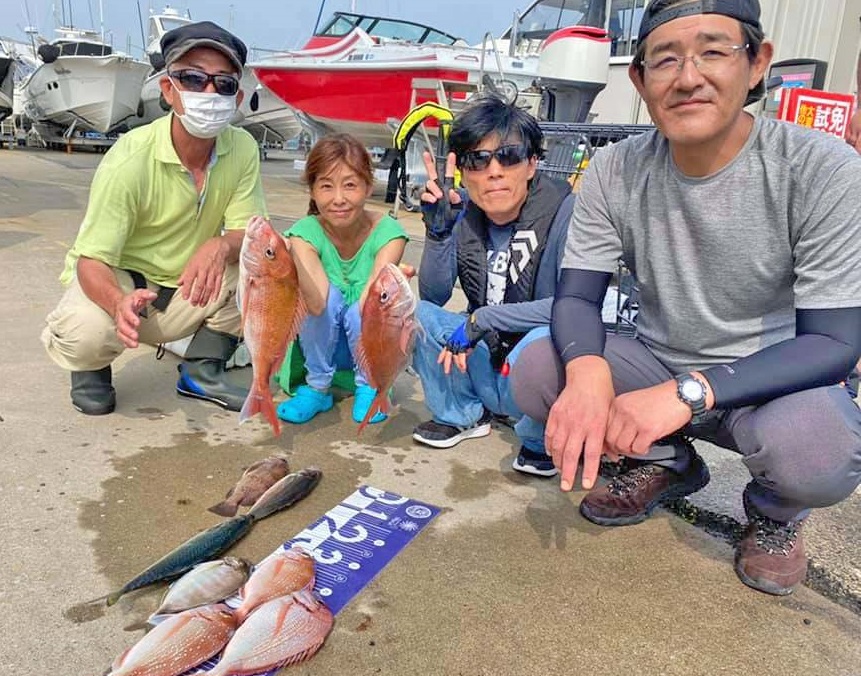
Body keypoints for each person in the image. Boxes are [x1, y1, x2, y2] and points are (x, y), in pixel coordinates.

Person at [511, 0, 861, 596]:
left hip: (772, 379)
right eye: (665, 59)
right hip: (658, 356)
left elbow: (835, 342)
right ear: (640, 80)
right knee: (541, 367)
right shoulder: (613, 169)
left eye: (714, 51)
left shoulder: (822, 168)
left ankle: (775, 515)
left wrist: (687, 393)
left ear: (758, 64)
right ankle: (665, 461)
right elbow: (576, 296)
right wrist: (591, 370)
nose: (689, 76)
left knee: (821, 452)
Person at [41, 21, 265, 416]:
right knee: (84, 333)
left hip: (189, 284)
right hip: (126, 283)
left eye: (223, 84)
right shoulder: (130, 158)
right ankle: (91, 367)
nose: (209, 92)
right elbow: (92, 260)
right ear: (168, 89)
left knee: (266, 266)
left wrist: (219, 245)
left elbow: (250, 232)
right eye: (193, 78)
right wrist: (117, 302)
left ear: (237, 96)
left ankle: (202, 368)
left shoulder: (244, 148)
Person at [411, 95, 575, 476]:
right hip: (487, 363)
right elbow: (433, 296)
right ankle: (461, 414)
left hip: (536, 369)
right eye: (477, 161)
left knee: (545, 340)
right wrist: (438, 233)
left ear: (532, 163)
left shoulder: (565, 212)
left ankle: (540, 439)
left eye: (510, 156)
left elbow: (573, 306)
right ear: (465, 172)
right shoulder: (462, 211)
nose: (494, 171)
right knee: (417, 315)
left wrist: (484, 317)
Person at [275, 133, 409, 425]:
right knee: (326, 298)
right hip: (319, 345)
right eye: (326, 186)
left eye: (350, 185)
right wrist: (295, 253)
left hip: (370, 345)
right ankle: (317, 387)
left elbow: (371, 305)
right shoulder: (305, 232)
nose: (338, 199)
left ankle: (370, 385)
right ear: (312, 191)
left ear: (368, 187)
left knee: (375, 301)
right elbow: (317, 303)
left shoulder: (389, 233)